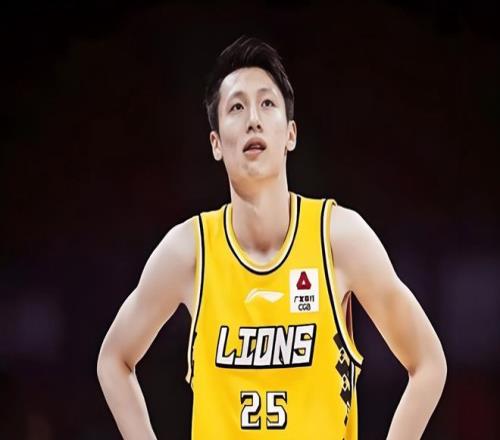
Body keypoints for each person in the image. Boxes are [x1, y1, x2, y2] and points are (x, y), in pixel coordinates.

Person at [97, 35, 447, 439]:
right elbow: (113, 360)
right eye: (236, 107)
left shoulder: (338, 239)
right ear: (216, 144)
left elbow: (428, 364)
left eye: (267, 103)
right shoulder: (189, 251)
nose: (253, 119)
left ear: (290, 134)